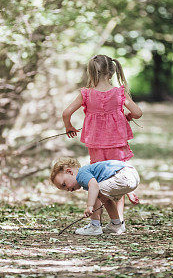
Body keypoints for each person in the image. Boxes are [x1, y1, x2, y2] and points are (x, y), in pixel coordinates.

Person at [61, 55, 143, 218]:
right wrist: (126, 116)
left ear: (91, 73)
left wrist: (69, 126)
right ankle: (119, 221)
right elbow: (138, 113)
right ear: (112, 73)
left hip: (96, 144)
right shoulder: (119, 93)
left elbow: (66, 113)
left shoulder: (85, 94)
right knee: (118, 175)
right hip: (117, 143)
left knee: (96, 181)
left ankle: (95, 223)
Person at [50, 157, 140, 235]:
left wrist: (90, 206)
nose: (68, 190)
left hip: (125, 175)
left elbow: (94, 186)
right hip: (131, 174)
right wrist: (129, 191)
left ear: (69, 172)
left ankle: (95, 226)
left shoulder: (81, 174)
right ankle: (116, 224)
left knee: (95, 191)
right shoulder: (89, 173)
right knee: (103, 197)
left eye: (64, 184)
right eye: (64, 189)